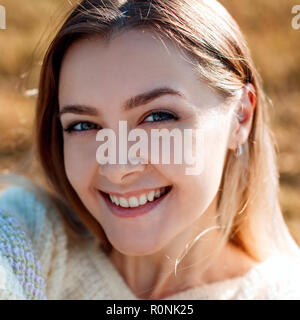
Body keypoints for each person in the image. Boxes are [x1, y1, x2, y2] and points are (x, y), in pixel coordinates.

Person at [1, 0, 300, 300]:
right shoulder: (29, 234)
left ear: (241, 117)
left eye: (158, 117)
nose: (117, 168)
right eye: (83, 125)